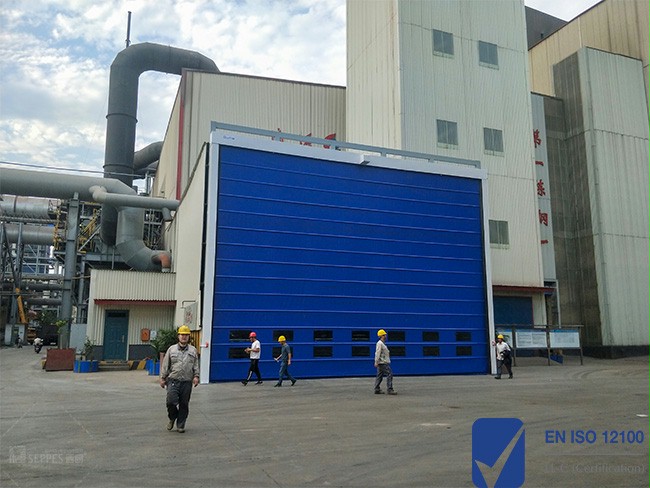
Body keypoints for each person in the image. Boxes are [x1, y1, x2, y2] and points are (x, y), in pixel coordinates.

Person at [160, 325, 200, 433]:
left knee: (184, 404)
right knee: (170, 402)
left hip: (186, 382)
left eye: (186, 335)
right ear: (178, 336)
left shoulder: (193, 350)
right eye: (182, 335)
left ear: (189, 337)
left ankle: (180, 425)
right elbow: (165, 365)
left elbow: (196, 365)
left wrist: (196, 376)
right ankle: (172, 417)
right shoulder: (171, 349)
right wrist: (163, 378)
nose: (184, 337)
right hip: (173, 380)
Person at [374, 329, 396, 395]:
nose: (385, 336)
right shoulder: (380, 343)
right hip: (382, 362)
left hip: (381, 362)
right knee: (389, 374)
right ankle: (390, 389)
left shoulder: (382, 343)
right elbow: (377, 353)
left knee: (379, 376)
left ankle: (377, 389)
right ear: (381, 336)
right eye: (384, 335)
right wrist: (376, 361)